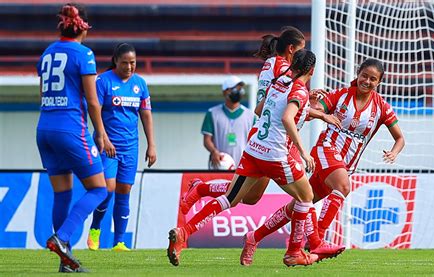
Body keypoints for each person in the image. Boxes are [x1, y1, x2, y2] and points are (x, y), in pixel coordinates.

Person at [240, 58, 406, 265]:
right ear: (358, 74)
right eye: (364, 76)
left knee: (299, 205)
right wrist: (314, 107)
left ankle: (254, 237)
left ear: (379, 82)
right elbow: (311, 111)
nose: (367, 81)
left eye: (373, 79)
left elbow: (400, 138)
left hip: (344, 165)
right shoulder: (340, 95)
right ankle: (317, 238)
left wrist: (394, 152)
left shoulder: (381, 107)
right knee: (343, 186)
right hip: (325, 150)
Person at [168, 49, 321, 267]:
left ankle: (184, 232)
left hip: (254, 149)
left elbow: (260, 109)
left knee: (230, 199)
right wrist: (303, 152)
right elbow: (287, 118)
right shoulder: (300, 90)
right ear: (312, 70)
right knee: (306, 197)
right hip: (275, 154)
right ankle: (294, 252)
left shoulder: (279, 82)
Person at [180, 26, 309, 214]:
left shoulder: (272, 64)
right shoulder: (284, 68)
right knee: (305, 195)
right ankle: (309, 240)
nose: (302, 56)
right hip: (272, 136)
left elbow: (280, 100)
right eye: (300, 50)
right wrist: (316, 110)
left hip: (263, 131)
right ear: (291, 49)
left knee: (250, 197)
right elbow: (290, 101)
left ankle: (201, 189)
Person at [36, 3, 109, 272]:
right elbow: (92, 101)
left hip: (44, 128)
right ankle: (63, 238)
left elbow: (43, 94)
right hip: (70, 129)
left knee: (62, 193)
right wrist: (100, 132)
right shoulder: (83, 54)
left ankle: (65, 262)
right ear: (84, 28)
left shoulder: (46, 53)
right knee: (99, 188)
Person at [86, 43, 156, 251]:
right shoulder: (103, 81)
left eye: (132, 62)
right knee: (107, 188)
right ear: (116, 61)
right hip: (107, 145)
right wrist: (103, 137)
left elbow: (146, 114)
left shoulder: (140, 84)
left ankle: (119, 242)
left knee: (124, 191)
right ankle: (95, 229)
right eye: (125, 62)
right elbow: (95, 110)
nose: (129, 66)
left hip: (130, 147)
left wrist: (151, 144)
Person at [202, 75, 254, 169]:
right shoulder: (212, 113)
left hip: (243, 168)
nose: (238, 91)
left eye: (240, 88)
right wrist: (214, 151)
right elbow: (207, 139)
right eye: (234, 88)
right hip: (220, 165)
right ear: (225, 91)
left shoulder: (251, 116)